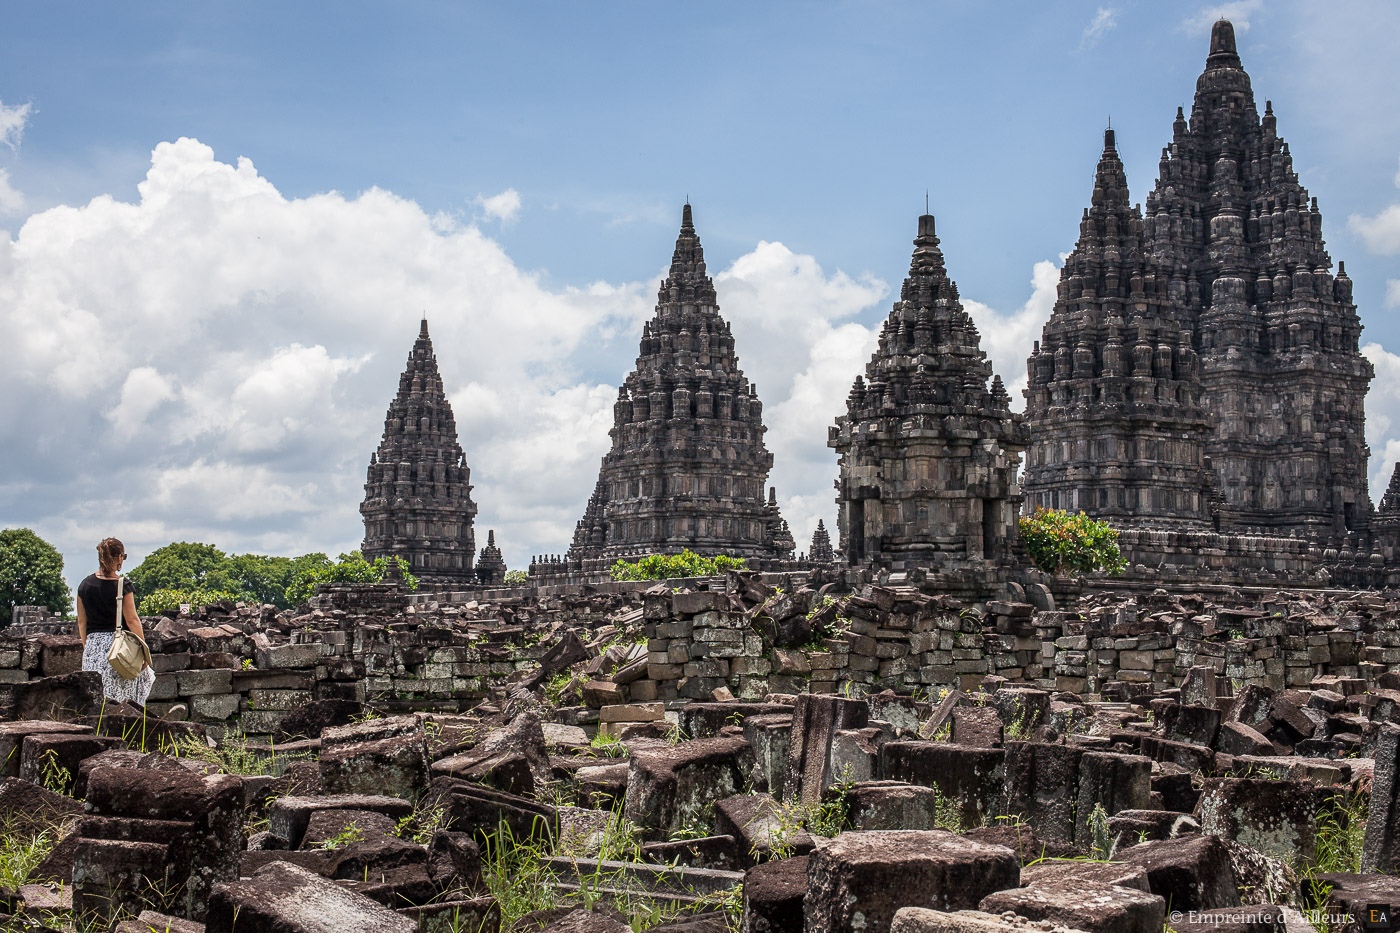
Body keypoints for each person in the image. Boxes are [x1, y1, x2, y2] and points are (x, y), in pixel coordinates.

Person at [76, 537, 155, 706]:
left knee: (96, 702)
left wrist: (87, 647)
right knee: (123, 702)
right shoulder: (122, 585)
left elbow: (82, 622)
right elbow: (132, 620)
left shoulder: (85, 585)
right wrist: (144, 653)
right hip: (118, 649)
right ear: (119, 557)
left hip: (92, 648)